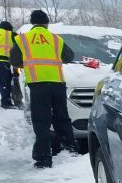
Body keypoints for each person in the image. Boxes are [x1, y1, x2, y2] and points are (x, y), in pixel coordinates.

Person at [10, 9, 76, 168]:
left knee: (41, 120)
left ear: (32, 23)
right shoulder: (56, 38)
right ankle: (69, 149)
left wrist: (27, 64)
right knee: (61, 116)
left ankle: (43, 157)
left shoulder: (22, 39)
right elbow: (69, 56)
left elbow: (14, 60)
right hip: (57, 83)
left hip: (38, 84)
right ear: (46, 23)